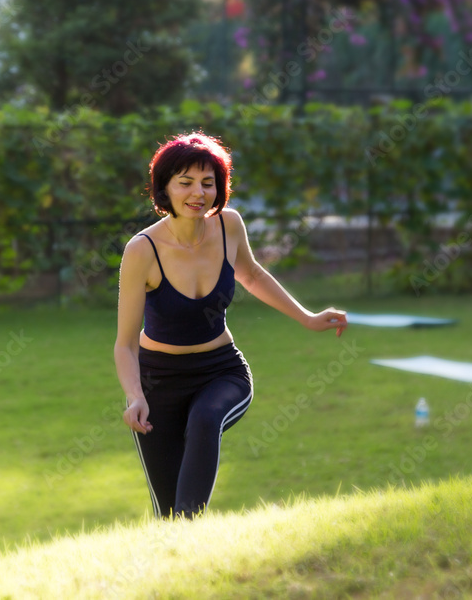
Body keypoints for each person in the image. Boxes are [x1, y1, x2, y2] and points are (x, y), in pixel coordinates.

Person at [113, 133, 348, 519]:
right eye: (185, 182)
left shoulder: (229, 226)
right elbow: (125, 345)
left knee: (206, 421)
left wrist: (307, 318)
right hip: (158, 383)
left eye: (208, 183)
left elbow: (252, 275)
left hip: (221, 372)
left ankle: (192, 529)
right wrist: (136, 396)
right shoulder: (142, 250)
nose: (198, 193)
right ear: (164, 188)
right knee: (166, 511)